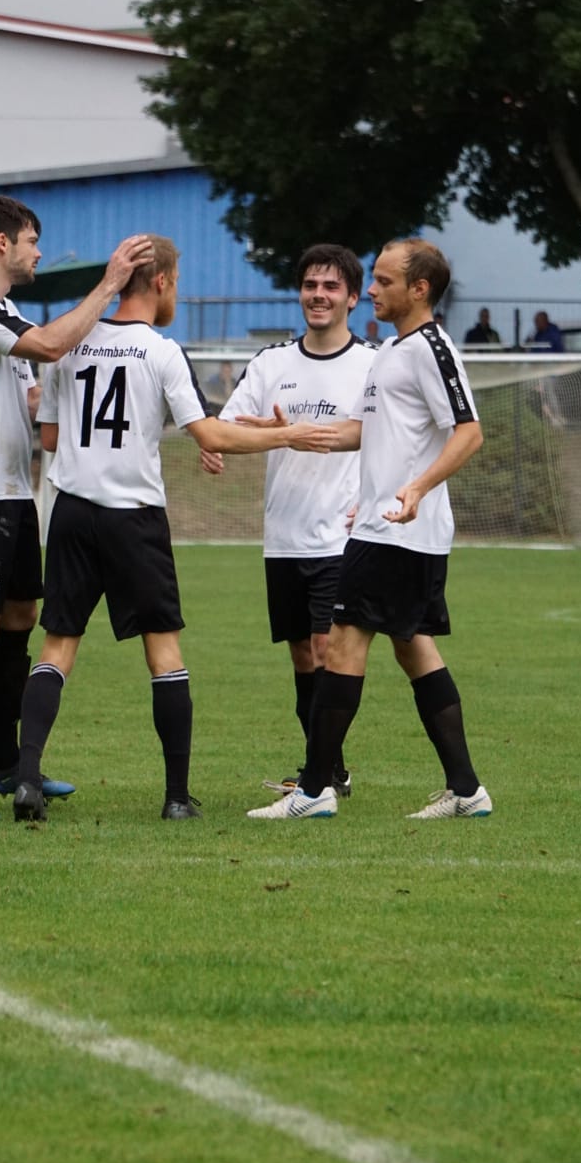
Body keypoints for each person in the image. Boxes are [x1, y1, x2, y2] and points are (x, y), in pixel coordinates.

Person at [9, 235, 337, 823]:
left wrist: (248, 427)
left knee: (58, 646)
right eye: (177, 281)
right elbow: (208, 435)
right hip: (133, 519)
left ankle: (27, 776)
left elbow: (52, 438)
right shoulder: (161, 351)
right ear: (159, 281)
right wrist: (285, 435)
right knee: (163, 652)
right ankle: (176, 796)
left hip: (71, 513)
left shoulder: (70, 343)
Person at [0, 195, 160, 820]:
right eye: (31, 240)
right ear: (2, 242)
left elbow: (37, 400)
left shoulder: (4, 310)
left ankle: (3, 765)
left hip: (12, 493)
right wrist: (109, 284)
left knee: (20, 616)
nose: (36, 251)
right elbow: (52, 347)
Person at [246, 237, 489, 823]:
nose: (372, 290)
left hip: (398, 531)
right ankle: (465, 789)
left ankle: (314, 789)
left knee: (344, 641)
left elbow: (468, 432)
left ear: (419, 289)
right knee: (413, 648)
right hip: (389, 529)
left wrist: (416, 489)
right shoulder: (394, 350)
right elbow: (369, 430)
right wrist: (291, 432)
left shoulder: (430, 346)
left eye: (382, 281)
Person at [206, 243, 374, 799]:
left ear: (352, 297)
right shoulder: (272, 362)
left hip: (341, 538)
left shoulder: (372, 364)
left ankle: (316, 777)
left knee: (328, 650)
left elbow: (401, 441)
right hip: (283, 538)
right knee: (303, 655)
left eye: (330, 287)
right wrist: (223, 446)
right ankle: (331, 768)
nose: (318, 295)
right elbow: (228, 428)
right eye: (310, 285)